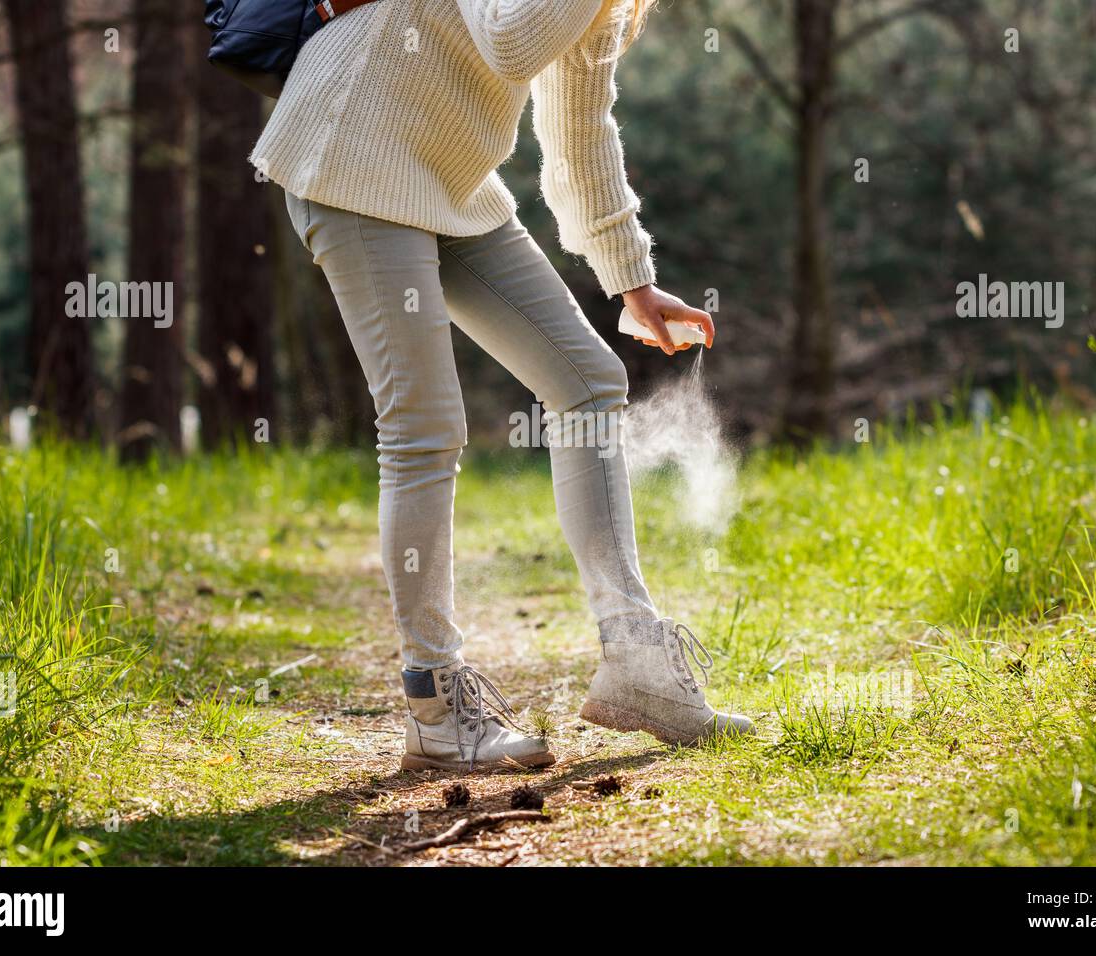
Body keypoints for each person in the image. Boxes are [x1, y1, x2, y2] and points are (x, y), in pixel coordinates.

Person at [252, 0, 753, 771]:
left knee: (588, 381)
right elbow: (511, 39)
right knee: (423, 425)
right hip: (352, 150)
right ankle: (435, 703)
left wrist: (632, 281)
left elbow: (580, 133)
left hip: (448, 181)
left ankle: (637, 660)